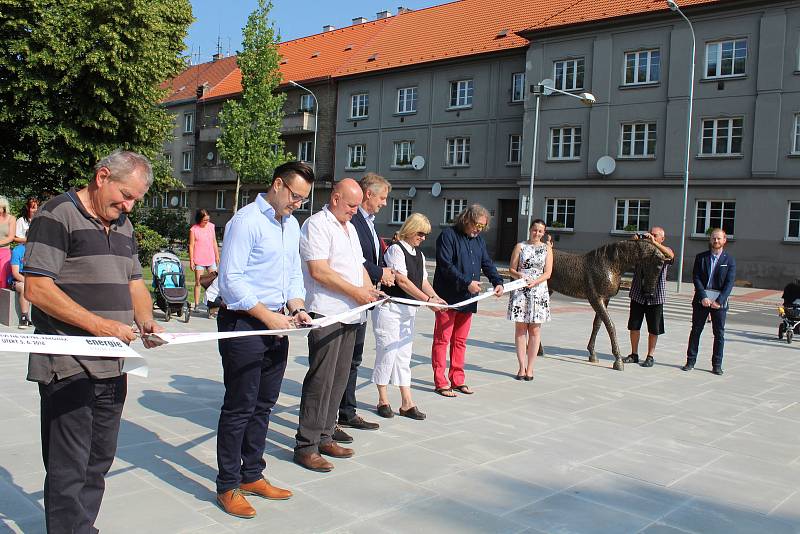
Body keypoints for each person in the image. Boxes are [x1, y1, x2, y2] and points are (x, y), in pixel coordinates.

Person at [22, 149, 164, 534]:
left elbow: (134, 282)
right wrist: (100, 326)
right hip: (67, 363)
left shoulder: (123, 227)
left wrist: (147, 322)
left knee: (99, 460)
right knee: (69, 467)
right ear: (102, 177)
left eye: (136, 199)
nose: (130, 206)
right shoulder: (56, 214)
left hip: (113, 364)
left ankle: (82, 528)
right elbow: (37, 288)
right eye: (126, 195)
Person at [214, 161, 314, 519]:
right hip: (245, 323)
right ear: (278, 185)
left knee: (264, 403)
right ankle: (227, 484)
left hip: (278, 322)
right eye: (296, 196)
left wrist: (297, 307)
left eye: (304, 199)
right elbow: (231, 280)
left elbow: (292, 277)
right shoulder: (246, 221)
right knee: (239, 405)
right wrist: (267, 315)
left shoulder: (291, 226)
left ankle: (252, 473)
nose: (298, 204)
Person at [294, 179, 382, 472]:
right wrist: (355, 293)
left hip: (352, 313)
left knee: (340, 378)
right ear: (334, 198)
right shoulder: (317, 225)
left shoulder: (350, 228)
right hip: (328, 313)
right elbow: (318, 270)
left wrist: (370, 290)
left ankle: (326, 435)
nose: (356, 212)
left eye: (357, 206)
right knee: (321, 380)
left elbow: (358, 267)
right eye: (351, 205)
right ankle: (306, 445)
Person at [333, 173, 392, 442]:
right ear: (368, 194)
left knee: (354, 360)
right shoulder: (351, 220)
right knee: (340, 363)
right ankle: (333, 416)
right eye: (382, 198)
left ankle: (346, 410)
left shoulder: (366, 222)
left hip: (362, 299)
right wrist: (380, 273)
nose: (384, 204)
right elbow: (355, 261)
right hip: (345, 301)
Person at [374, 213, 446, 420]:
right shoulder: (396, 250)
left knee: (403, 356)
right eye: (420, 233)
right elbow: (402, 281)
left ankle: (407, 402)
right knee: (387, 352)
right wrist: (426, 300)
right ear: (411, 230)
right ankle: (383, 399)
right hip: (390, 309)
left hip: (408, 311)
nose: (423, 238)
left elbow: (422, 281)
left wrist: (436, 298)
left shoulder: (419, 255)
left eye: (425, 235)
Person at [431, 204, 504, 397]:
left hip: (468, 298)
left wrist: (498, 281)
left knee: (460, 341)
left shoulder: (478, 241)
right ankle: (441, 382)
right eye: (476, 225)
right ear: (466, 219)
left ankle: (457, 379)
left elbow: (486, 263)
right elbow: (445, 265)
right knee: (442, 340)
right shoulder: (448, 235)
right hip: (448, 298)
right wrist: (466, 283)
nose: (478, 230)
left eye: (482, 227)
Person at [683, 228, 736, 375]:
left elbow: (729, 283)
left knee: (719, 334)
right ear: (710, 239)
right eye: (713, 238)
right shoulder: (701, 257)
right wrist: (702, 296)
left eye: (719, 238)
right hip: (703, 299)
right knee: (696, 331)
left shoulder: (729, 260)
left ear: (724, 240)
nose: (716, 241)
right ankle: (690, 361)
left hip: (719, 302)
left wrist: (719, 301)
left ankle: (717, 364)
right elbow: (696, 277)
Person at [507, 219, 552, 380]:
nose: (537, 233)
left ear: (543, 233)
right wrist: (520, 275)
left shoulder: (547, 249)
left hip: (539, 291)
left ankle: (530, 368)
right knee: (520, 329)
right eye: (535, 230)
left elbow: (548, 273)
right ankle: (521, 366)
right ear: (530, 229)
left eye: (540, 231)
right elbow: (511, 269)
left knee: (534, 330)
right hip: (520, 290)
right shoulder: (520, 246)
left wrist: (535, 281)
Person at [623, 227, 675, 368]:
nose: (651, 236)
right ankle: (634, 354)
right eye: (650, 234)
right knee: (634, 326)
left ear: (662, 239)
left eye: (655, 235)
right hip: (638, 294)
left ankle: (650, 356)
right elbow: (627, 252)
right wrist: (634, 241)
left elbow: (671, 256)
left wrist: (654, 243)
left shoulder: (664, 250)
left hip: (656, 296)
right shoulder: (642, 249)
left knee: (654, 328)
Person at [189, 208, 220, 310]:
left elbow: (214, 242)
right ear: (199, 219)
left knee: (214, 283)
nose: (207, 222)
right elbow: (191, 245)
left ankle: (211, 307)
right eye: (204, 220)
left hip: (210, 258)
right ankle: (197, 305)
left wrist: (217, 255)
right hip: (199, 260)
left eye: (208, 219)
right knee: (198, 282)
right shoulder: (194, 229)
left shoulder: (211, 227)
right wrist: (191, 261)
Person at [9, 243, 30, 328]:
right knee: (24, 287)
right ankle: (24, 317)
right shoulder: (18, 250)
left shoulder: (42, 250)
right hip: (18, 280)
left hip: (34, 278)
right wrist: (30, 283)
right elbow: (15, 273)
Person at [0, 195, 16, 289]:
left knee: (2, 278)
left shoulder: (11, 219)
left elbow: (10, 238)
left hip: (5, 252)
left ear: (4, 207)